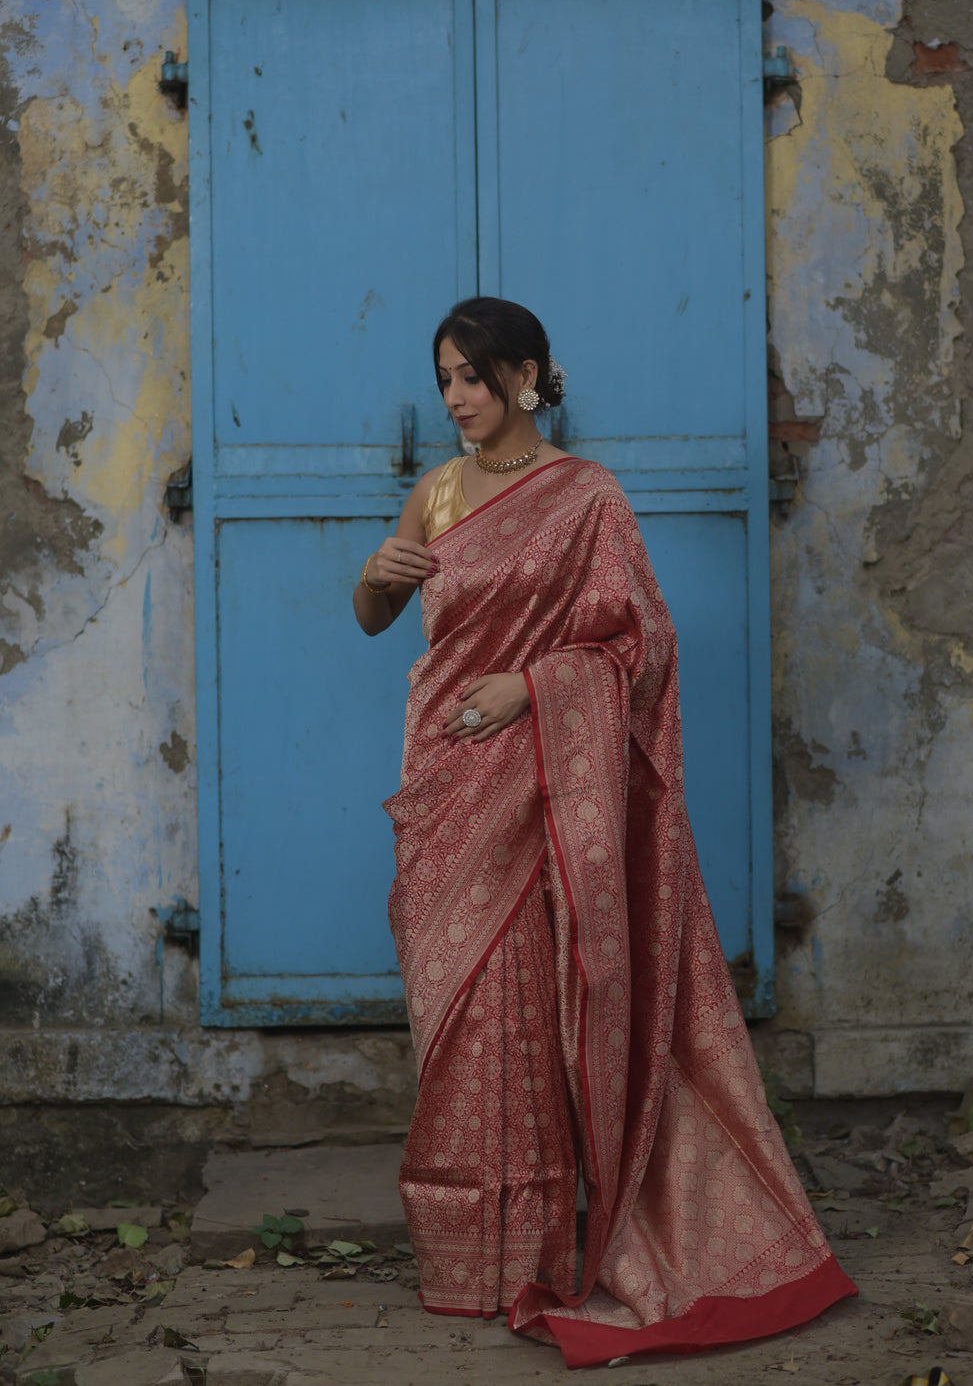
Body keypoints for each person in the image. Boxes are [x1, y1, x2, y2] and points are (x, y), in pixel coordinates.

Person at [353, 297, 855, 1368]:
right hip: (446, 780)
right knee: (458, 1018)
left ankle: (541, 1250)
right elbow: (375, 616)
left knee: (534, 1007)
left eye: (473, 379)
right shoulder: (435, 494)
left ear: (527, 377)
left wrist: (534, 688)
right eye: (443, 378)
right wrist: (371, 578)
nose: (454, 399)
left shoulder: (587, 499)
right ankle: (465, 1263)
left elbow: (645, 645)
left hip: (539, 785)